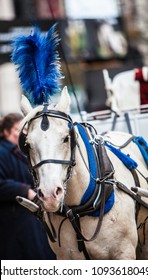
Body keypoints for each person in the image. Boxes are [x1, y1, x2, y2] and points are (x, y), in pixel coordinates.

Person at [0, 113, 56, 260]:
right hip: (14, 218)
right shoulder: (2, 152)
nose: (22, 133)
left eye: (24, 129)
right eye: (17, 129)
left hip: (33, 216)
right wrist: (25, 191)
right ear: (6, 132)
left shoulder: (25, 152)